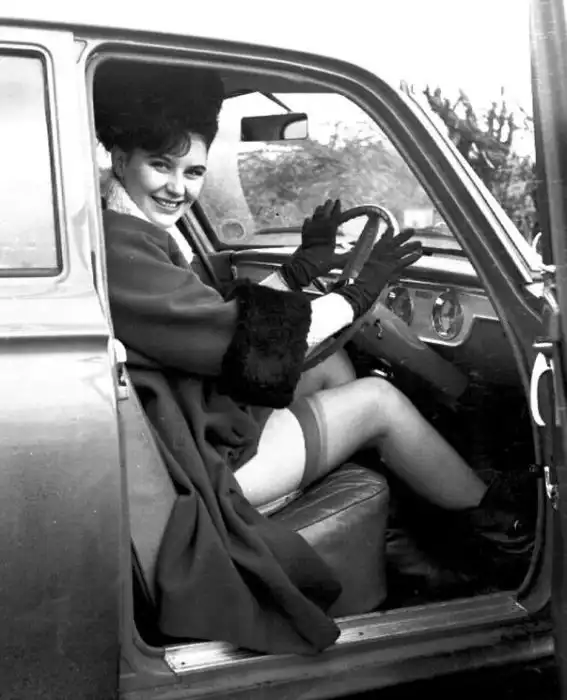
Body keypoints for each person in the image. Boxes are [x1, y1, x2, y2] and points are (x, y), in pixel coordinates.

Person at [94, 61, 533, 654]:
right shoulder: (123, 250)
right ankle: (506, 538)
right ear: (120, 158)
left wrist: (300, 270)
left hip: (189, 423)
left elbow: (209, 319)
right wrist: (351, 298)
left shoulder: (129, 234)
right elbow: (236, 340)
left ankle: (404, 533)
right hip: (199, 465)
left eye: (193, 170)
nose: (179, 187)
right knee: (379, 401)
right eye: (161, 165)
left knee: (328, 367)